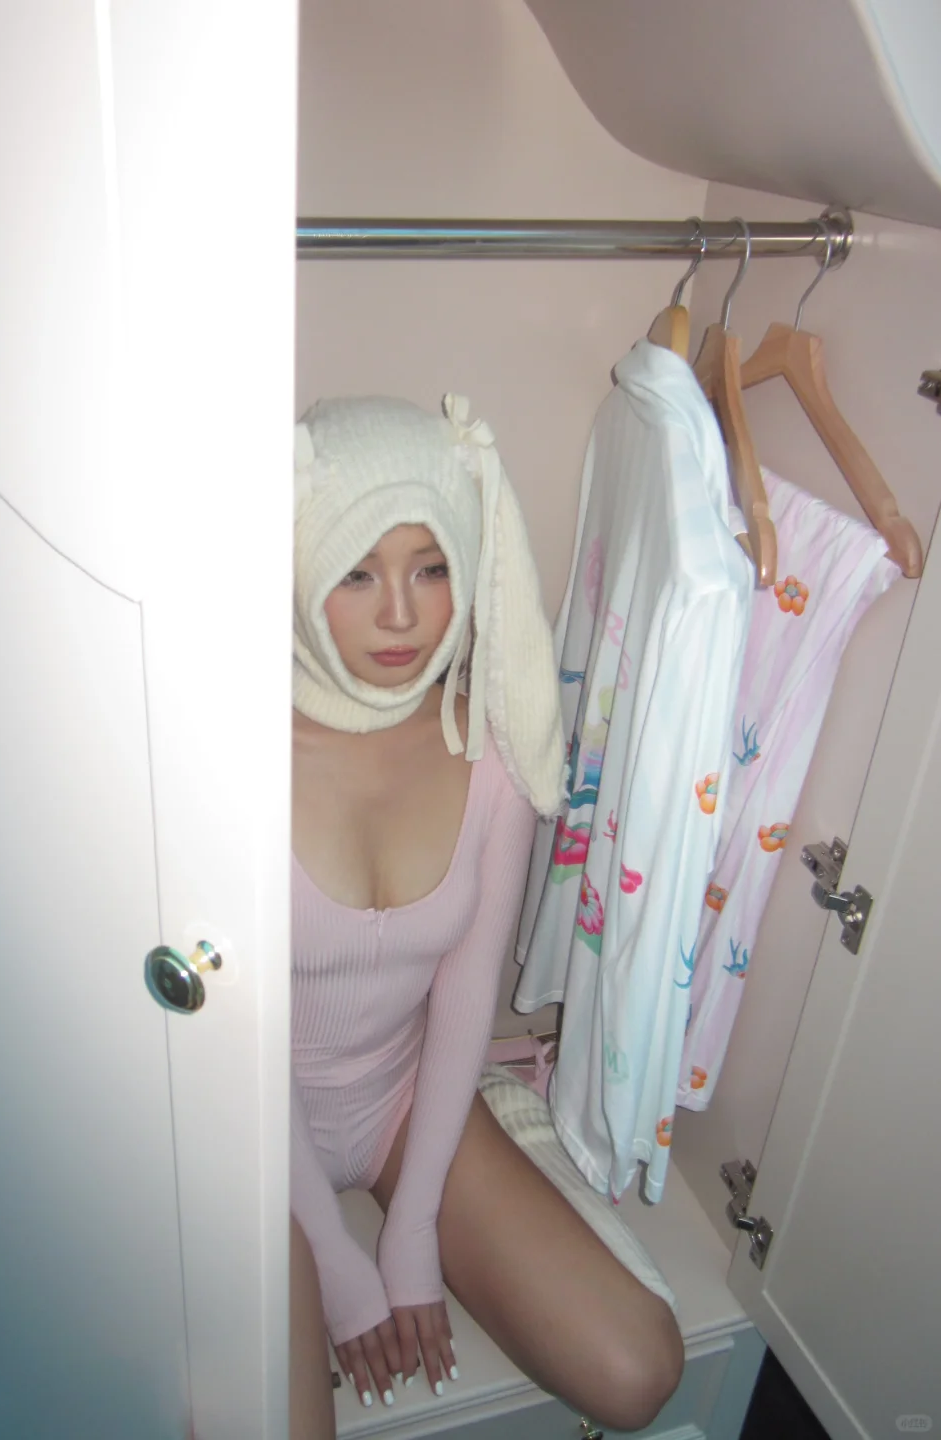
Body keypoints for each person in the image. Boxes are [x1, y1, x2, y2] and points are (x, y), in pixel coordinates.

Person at [289, 394, 684, 1439]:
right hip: (244, 1128)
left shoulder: (488, 748)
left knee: (638, 1370)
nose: (402, 615)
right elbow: (226, 1041)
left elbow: (467, 991)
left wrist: (411, 1227)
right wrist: (330, 1254)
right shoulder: (226, 756)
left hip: (399, 1100)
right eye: (356, 572)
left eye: (431, 568)